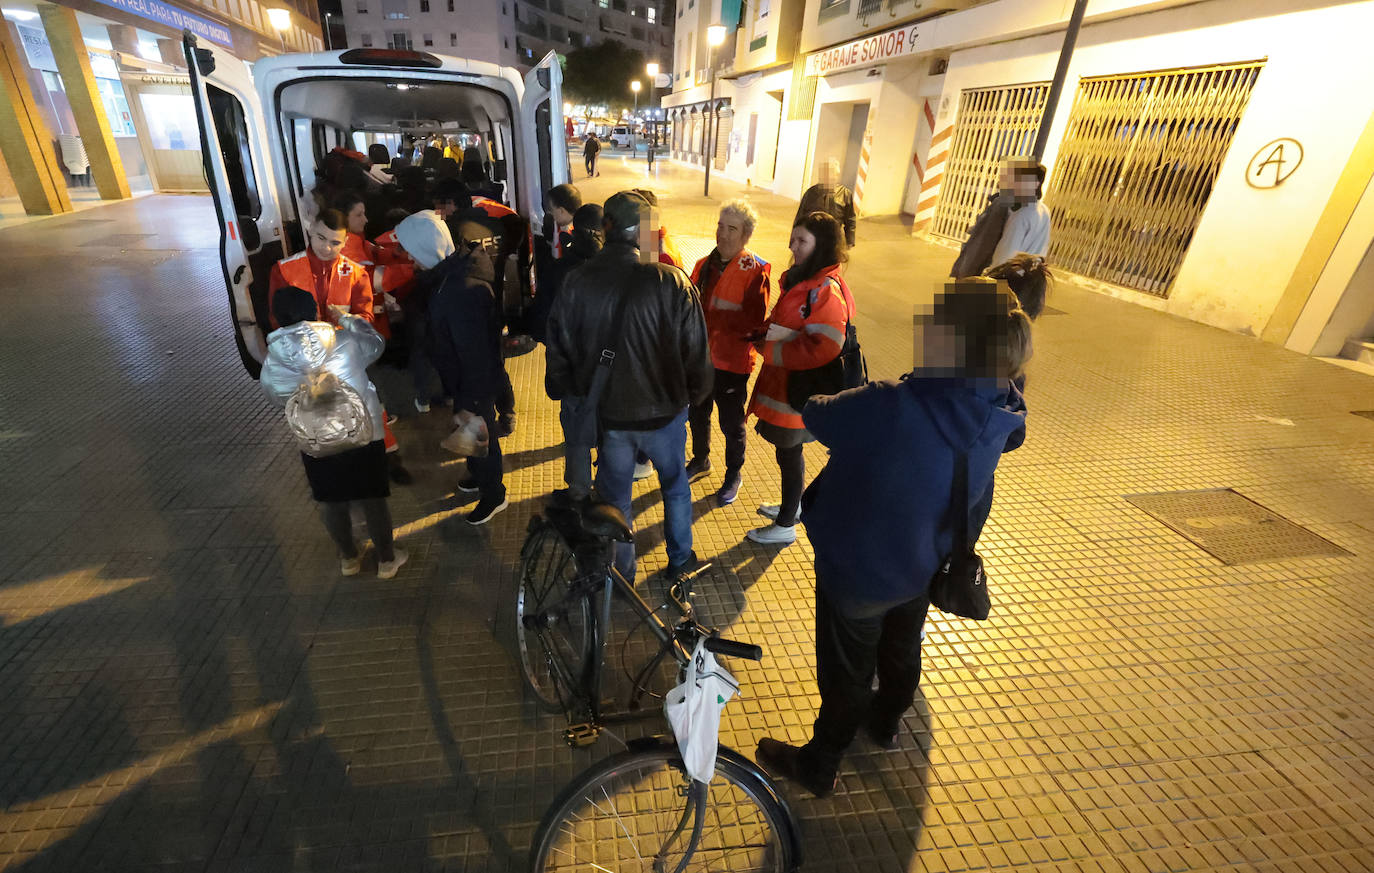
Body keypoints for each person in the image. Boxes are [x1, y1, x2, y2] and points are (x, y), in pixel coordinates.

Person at [755, 278, 1030, 798]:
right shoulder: (1000, 410)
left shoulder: (891, 404)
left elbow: (816, 411)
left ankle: (821, 762)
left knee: (847, 672)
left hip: (863, 569)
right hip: (928, 562)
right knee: (902, 648)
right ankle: (885, 722)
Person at [545, 191, 712, 580]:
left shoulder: (578, 280)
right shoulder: (673, 281)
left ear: (607, 228)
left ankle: (622, 574)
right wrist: (693, 397)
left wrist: (570, 391)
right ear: (649, 231)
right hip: (666, 415)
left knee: (616, 498)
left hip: (612, 417)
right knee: (675, 487)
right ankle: (681, 559)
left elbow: (559, 346)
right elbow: (698, 355)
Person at [259, 286, 409, 579]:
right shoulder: (344, 340)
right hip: (364, 432)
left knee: (331, 500)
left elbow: (275, 396)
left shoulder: (274, 360)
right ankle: (387, 561)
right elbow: (376, 344)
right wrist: (349, 318)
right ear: (314, 310)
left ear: (276, 319)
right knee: (372, 498)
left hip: (316, 440)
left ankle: (349, 558)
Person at [744, 211, 857, 546]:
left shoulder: (825, 290)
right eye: (793, 238)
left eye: (802, 241)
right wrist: (765, 333)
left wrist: (774, 351)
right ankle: (790, 509)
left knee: (789, 453)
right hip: (788, 384)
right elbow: (791, 322)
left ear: (821, 246)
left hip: (799, 388)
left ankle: (785, 525)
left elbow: (825, 347)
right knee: (787, 452)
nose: (793, 246)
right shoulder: (804, 279)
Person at [394, 210, 511, 525]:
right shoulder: (451, 273)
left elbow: (475, 352)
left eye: (411, 251)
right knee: (471, 432)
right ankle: (477, 473)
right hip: (463, 375)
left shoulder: (462, 289)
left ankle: (494, 494)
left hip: (474, 380)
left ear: (426, 249)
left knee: (481, 430)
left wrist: (469, 399)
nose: (409, 259)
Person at [687, 200, 771, 506]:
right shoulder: (702, 265)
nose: (722, 234)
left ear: (746, 234)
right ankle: (701, 460)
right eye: (720, 226)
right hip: (701, 357)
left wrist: (712, 323)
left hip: (732, 362)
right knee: (697, 412)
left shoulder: (755, 272)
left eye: (731, 228)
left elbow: (754, 322)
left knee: (732, 424)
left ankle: (733, 473)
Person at [951, 157, 1050, 279]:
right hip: (1027, 279)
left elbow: (1005, 251)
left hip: (1006, 276)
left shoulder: (1020, 213)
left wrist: (990, 275)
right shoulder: (1044, 211)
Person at [796, 158, 857, 248]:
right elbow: (800, 217)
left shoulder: (845, 194)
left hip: (834, 242)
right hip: (812, 241)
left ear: (836, 175)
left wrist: (849, 241)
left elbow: (850, 219)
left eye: (832, 174)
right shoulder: (810, 193)